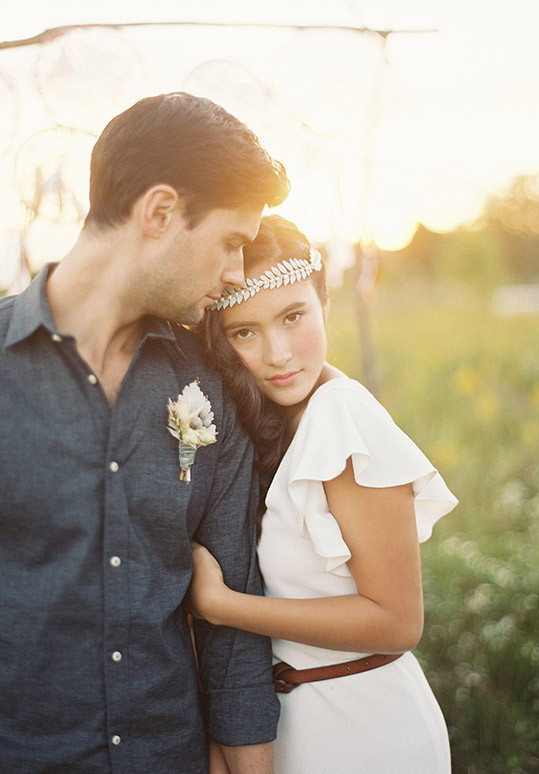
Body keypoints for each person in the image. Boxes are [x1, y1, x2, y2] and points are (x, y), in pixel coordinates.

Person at [0, 92, 290, 773]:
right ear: (160, 213)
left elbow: (234, 621)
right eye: (231, 242)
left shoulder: (211, 382)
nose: (235, 274)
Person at [190, 214, 459, 774]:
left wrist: (220, 605)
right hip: (306, 722)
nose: (280, 353)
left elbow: (397, 621)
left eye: (294, 317)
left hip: (365, 726)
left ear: (324, 303)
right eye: (245, 332)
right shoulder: (283, 419)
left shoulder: (342, 418)